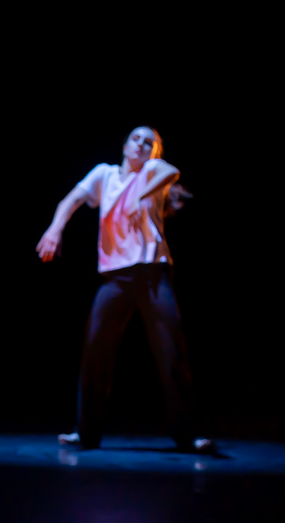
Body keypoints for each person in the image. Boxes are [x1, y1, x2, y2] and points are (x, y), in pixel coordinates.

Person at [36, 126, 214, 453]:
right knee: (95, 350)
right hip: (115, 277)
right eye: (137, 138)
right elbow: (71, 200)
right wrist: (55, 229)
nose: (142, 145)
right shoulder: (103, 175)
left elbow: (171, 171)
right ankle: (86, 433)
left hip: (152, 272)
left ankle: (187, 436)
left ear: (154, 152)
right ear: (125, 143)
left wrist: (140, 195)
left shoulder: (152, 172)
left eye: (150, 143)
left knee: (171, 350)